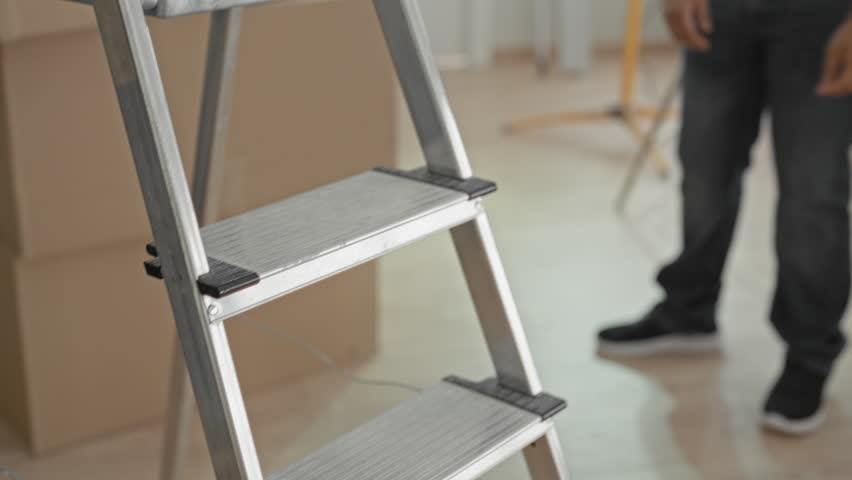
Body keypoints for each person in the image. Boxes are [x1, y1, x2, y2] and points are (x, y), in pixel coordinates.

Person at [598, 0, 852, 435]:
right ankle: (689, 310)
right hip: (720, 12)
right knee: (704, 169)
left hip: (826, 14)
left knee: (812, 192)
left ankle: (809, 353)